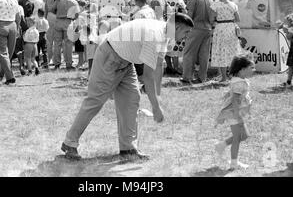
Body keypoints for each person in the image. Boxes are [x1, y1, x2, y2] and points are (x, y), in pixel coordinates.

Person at [61, 12, 194, 160]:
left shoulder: (165, 34)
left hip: (125, 61)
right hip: (109, 56)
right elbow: (148, 76)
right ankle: (70, 142)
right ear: (178, 27)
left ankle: (128, 149)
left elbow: (158, 67)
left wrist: (158, 97)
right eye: (186, 32)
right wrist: (155, 107)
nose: (187, 37)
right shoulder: (154, 36)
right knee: (95, 101)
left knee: (131, 99)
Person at [215, 54, 254, 170]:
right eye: (251, 68)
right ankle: (234, 163)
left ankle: (221, 145)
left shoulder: (239, 80)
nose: (253, 70)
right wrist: (238, 116)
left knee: (244, 135)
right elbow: (235, 100)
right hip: (234, 113)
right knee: (238, 137)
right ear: (242, 69)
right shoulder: (239, 83)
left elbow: (233, 94)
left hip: (236, 113)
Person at [181, 0, 215, 84]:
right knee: (204, 55)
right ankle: (202, 77)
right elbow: (212, 17)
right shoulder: (210, 0)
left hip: (195, 28)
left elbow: (189, 15)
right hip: (207, 29)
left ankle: (187, 77)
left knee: (189, 53)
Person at [211, 0, 242, 83]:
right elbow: (238, 19)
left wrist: (216, 21)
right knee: (232, 51)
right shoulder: (233, 5)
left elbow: (211, 18)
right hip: (231, 28)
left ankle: (224, 77)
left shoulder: (216, 4)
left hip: (220, 27)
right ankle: (233, 75)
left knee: (221, 52)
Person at [52, 0, 80, 70]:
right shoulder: (74, 2)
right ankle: (68, 64)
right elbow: (77, 15)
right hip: (68, 22)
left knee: (57, 44)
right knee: (68, 44)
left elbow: (52, 9)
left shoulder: (59, 0)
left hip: (58, 21)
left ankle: (57, 64)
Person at [281, 13, 293, 87]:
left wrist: (286, 31)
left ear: (291, 21)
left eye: (288, 21)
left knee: (291, 66)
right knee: (291, 66)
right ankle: (288, 82)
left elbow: (288, 37)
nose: (287, 23)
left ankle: (289, 82)